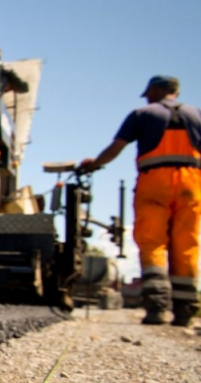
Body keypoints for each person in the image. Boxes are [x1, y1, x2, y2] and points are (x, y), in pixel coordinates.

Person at [80, 75, 201, 326]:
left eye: (148, 92)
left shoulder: (143, 113)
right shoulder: (196, 114)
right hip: (192, 184)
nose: (146, 97)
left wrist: (93, 165)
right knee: (187, 245)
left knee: (152, 243)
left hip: (155, 183)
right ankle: (185, 312)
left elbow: (116, 148)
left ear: (156, 90)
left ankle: (156, 308)